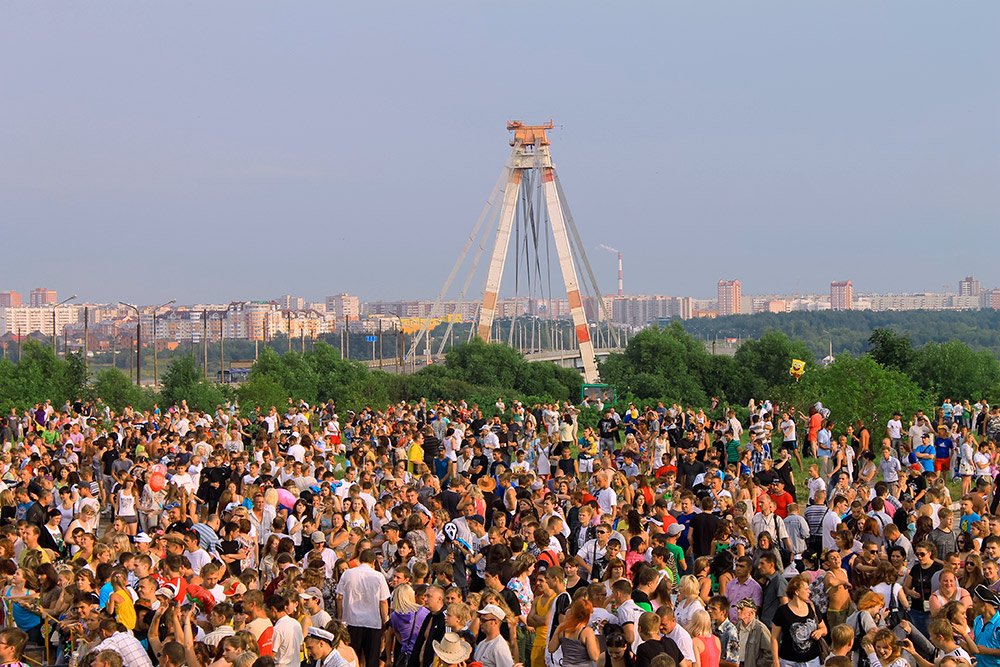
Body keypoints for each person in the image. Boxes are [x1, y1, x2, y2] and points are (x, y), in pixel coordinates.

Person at [336, 549, 390, 667]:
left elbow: (339, 597)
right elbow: (384, 602)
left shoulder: (347, 574)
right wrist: (384, 620)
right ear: (373, 562)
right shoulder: (378, 576)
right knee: (372, 660)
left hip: (351, 621)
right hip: (372, 623)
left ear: (360, 560)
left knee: (351, 658)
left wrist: (340, 616)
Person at [770, 575, 826, 667]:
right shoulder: (782, 611)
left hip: (812, 661)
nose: (809, 591)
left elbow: (824, 629)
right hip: (789, 661)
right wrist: (776, 661)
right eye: (806, 589)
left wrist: (820, 632)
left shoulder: (812, 608)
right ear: (797, 591)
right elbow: (774, 638)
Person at [548, 598, 600, 667]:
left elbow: (551, 649)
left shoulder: (562, 628)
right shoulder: (587, 631)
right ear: (588, 614)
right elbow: (595, 657)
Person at [733, 599, 772, 667]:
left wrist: (758, 665)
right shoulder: (737, 626)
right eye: (738, 608)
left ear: (752, 613)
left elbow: (770, 653)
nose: (738, 611)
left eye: (741, 609)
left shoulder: (760, 629)